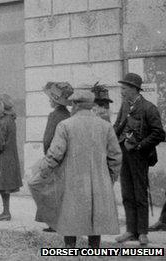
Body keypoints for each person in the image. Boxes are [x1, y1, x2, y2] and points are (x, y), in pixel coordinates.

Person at [39, 90, 122, 248]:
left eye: (73, 104)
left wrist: (44, 170)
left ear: (76, 105)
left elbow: (55, 153)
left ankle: (70, 250)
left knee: (70, 217)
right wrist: (110, 177)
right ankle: (94, 251)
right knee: (95, 217)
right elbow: (116, 156)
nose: (71, 107)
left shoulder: (65, 125)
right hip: (98, 181)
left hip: (72, 180)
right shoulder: (105, 126)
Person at [114, 73, 166, 246]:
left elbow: (159, 133)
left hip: (139, 156)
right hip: (124, 154)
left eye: (124, 88)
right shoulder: (124, 106)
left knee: (140, 194)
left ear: (134, 89)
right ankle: (130, 231)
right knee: (127, 193)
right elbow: (117, 126)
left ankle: (142, 232)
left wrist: (140, 146)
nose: (121, 92)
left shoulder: (148, 108)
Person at [31, 82, 73, 232]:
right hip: (65, 158)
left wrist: (47, 156)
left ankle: (52, 222)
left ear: (55, 101)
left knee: (44, 188)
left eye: (50, 99)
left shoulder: (54, 115)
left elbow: (47, 140)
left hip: (53, 158)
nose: (49, 101)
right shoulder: (68, 115)